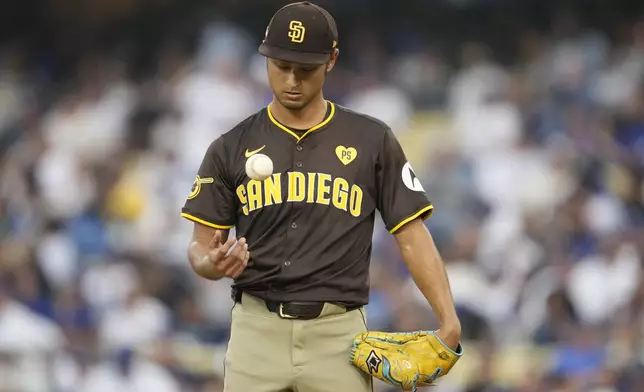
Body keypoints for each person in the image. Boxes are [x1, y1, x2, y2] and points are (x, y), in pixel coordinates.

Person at [181, 2, 462, 391]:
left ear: (331, 60)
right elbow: (198, 248)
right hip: (256, 331)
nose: (292, 80)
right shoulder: (230, 146)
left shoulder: (371, 139)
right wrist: (210, 263)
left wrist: (448, 319)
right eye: (281, 66)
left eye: (305, 69)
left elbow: (411, 235)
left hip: (338, 333)